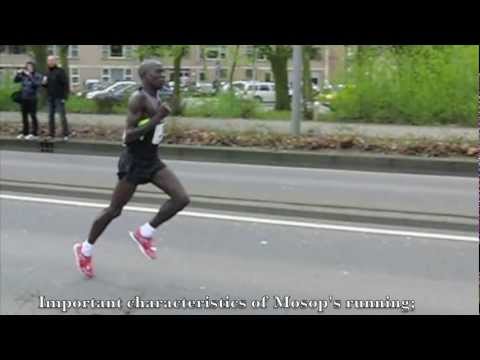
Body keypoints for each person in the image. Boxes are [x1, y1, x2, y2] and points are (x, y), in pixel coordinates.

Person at [73, 60, 191, 279]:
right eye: (159, 72)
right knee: (113, 211)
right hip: (134, 162)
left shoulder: (156, 97)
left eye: (164, 72)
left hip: (152, 160)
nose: (163, 76)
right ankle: (85, 249)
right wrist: (158, 118)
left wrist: (157, 121)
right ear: (146, 76)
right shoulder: (138, 98)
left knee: (181, 198)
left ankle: (144, 233)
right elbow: (129, 135)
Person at [43, 55, 70, 141]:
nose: (50, 62)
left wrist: (64, 97)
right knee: (50, 116)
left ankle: (65, 134)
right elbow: (46, 85)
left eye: (51, 60)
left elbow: (65, 84)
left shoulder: (60, 71)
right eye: (48, 61)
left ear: (55, 61)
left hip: (59, 97)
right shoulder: (47, 72)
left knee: (62, 116)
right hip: (50, 97)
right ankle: (51, 134)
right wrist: (44, 83)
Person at [14, 61, 42, 140]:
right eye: (27, 66)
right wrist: (18, 73)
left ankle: (34, 133)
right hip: (24, 98)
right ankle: (25, 132)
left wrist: (29, 76)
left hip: (33, 98)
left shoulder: (37, 75)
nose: (29, 68)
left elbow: (36, 84)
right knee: (24, 116)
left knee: (33, 115)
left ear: (33, 67)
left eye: (30, 66)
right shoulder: (24, 76)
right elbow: (15, 80)